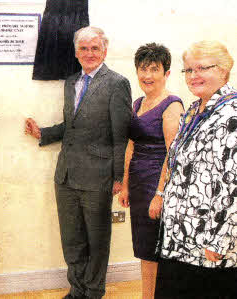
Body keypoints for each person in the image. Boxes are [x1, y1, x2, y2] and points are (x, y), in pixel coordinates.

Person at [25, 26, 132, 299]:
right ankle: (77, 290)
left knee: (97, 240)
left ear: (105, 50)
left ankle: (94, 292)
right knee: (72, 240)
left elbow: (121, 136)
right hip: (66, 175)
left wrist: (119, 177)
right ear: (76, 53)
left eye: (95, 48)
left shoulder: (117, 83)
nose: (89, 53)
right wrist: (44, 133)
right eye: (84, 49)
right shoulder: (71, 81)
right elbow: (71, 126)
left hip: (99, 176)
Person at [155, 41, 237, 298]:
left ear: (223, 71)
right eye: (189, 70)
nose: (194, 76)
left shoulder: (231, 116)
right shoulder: (194, 110)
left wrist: (221, 240)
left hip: (209, 245)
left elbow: (234, 184)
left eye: (202, 68)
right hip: (181, 239)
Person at [118, 43, 184, 299]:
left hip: (157, 185)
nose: (147, 75)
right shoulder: (137, 103)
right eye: (143, 69)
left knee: (158, 250)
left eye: (154, 69)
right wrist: (124, 184)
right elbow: (131, 145)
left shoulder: (172, 106)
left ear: (166, 73)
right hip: (137, 184)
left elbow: (173, 154)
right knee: (145, 250)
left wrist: (160, 194)